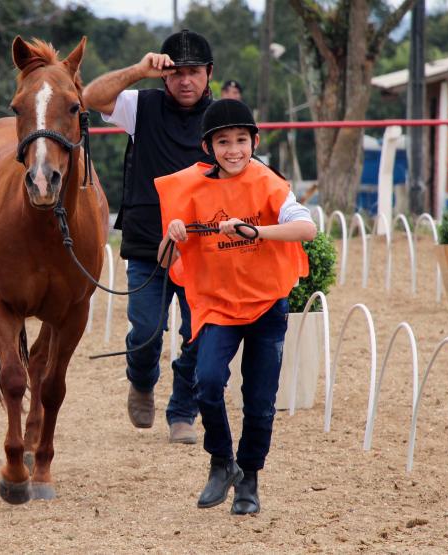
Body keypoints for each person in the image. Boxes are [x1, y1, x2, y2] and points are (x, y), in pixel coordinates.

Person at [155, 99, 316, 514]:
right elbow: (166, 261)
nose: (233, 150)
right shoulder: (188, 188)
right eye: (223, 142)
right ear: (208, 147)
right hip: (216, 307)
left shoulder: (269, 183)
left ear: (254, 141)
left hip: (266, 306)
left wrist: (256, 230)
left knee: (260, 402)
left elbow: (308, 228)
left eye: (241, 141)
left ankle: (250, 479)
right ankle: (221, 462)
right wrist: (172, 237)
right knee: (206, 382)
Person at [83, 29, 215, 444]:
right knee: (144, 333)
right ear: (163, 76)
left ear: (209, 73)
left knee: (198, 333)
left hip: (204, 249)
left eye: (194, 72)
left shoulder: (223, 116)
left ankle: (182, 412)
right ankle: (141, 383)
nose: (186, 81)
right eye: (177, 73)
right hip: (147, 242)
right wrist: (138, 70)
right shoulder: (141, 106)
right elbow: (90, 97)